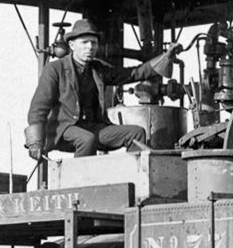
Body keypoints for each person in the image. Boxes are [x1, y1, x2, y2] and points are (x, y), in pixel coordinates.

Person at [25, 17, 178, 160]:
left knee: (136, 133)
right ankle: (80, 184)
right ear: (72, 45)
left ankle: (132, 181)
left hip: (93, 127)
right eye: (84, 43)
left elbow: (132, 74)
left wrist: (165, 58)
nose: (90, 47)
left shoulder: (98, 69)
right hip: (63, 129)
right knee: (86, 139)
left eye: (94, 43)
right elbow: (39, 107)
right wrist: (35, 142)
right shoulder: (54, 69)